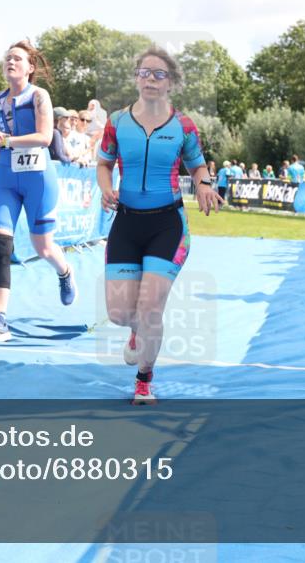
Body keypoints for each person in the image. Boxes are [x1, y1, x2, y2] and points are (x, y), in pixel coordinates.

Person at [97, 46, 223, 405]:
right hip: (126, 223)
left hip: (167, 226)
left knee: (151, 307)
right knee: (121, 314)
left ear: (171, 83)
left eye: (159, 74)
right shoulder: (117, 122)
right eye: (144, 72)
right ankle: (136, 334)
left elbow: (197, 165)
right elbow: (104, 164)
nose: (150, 79)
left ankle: (143, 381)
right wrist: (107, 190)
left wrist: (203, 184)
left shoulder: (183, 126)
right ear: (136, 77)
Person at [0, 40, 76, 342]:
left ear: (30, 68)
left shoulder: (39, 95)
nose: (11, 62)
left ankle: (65, 272)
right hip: (5, 178)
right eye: (7, 58)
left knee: (43, 247)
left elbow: (45, 137)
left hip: (38, 178)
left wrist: (4, 141)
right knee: (0, 247)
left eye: (17, 59)